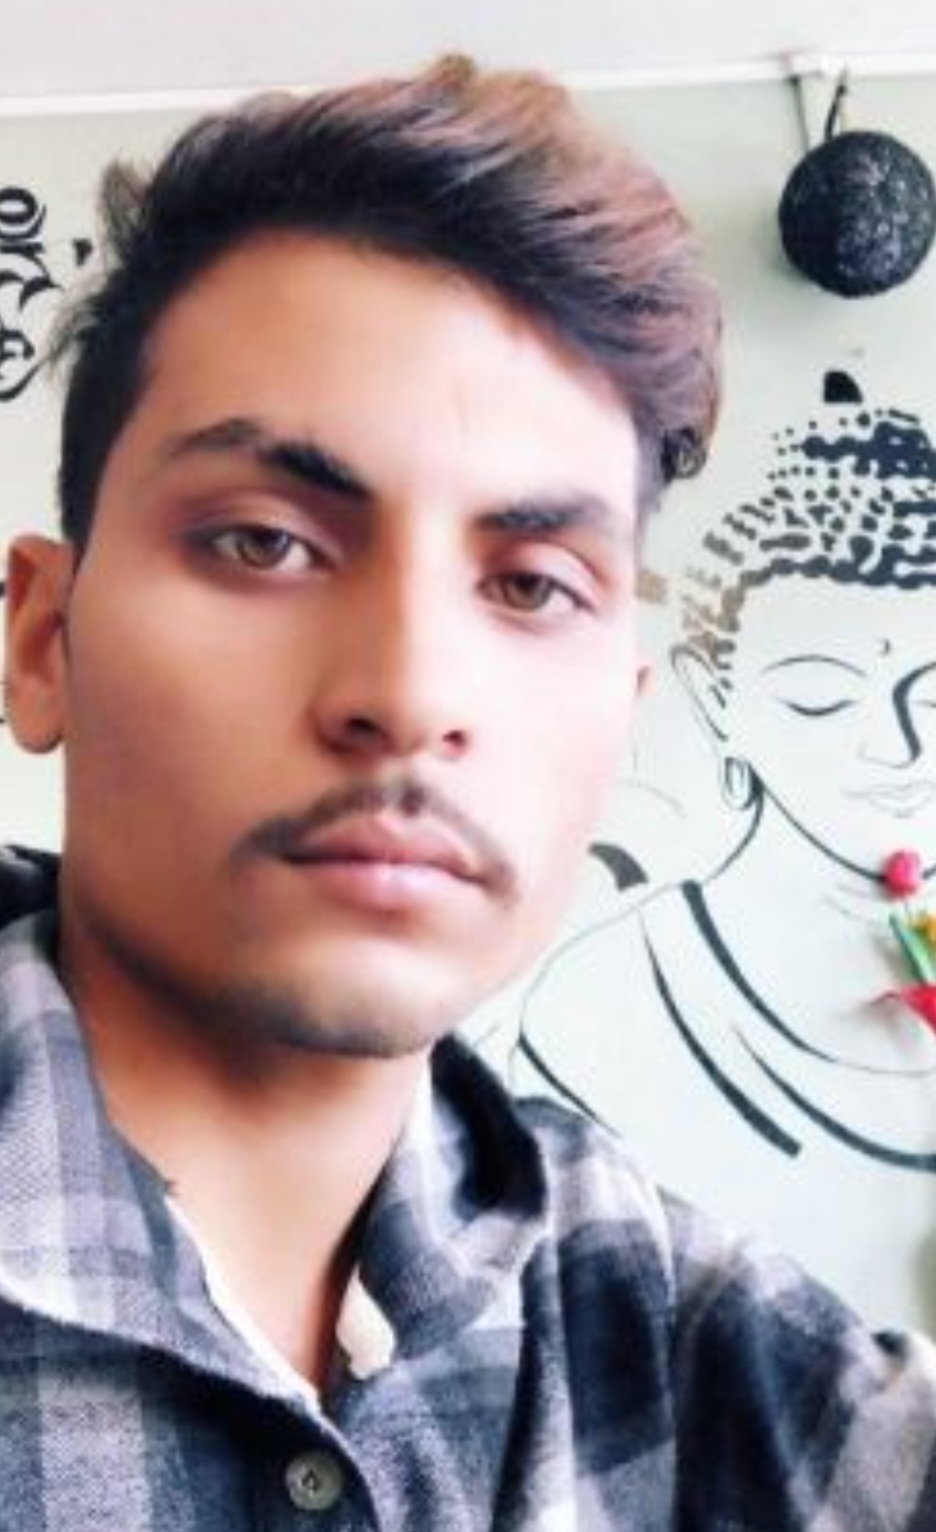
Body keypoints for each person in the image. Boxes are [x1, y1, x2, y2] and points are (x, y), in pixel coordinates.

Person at [0, 54, 934, 1531]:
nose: (412, 691)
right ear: (42, 642)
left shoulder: (668, 1321)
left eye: (534, 583)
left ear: (620, 719)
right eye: (263, 541)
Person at [521, 388, 936, 1170]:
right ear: (714, 699)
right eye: (822, 694)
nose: (900, 748)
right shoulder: (609, 997)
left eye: (934, 696)